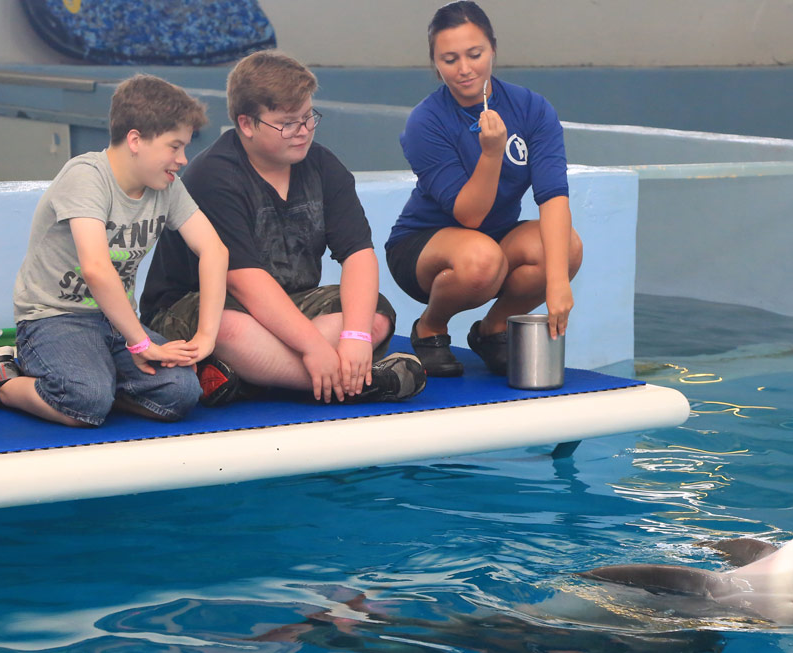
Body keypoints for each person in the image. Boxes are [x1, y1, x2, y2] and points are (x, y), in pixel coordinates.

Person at [140, 50, 425, 405]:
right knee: (228, 327)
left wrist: (354, 336)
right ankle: (354, 385)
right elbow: (243, 282)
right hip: (195, 307)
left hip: (287, 303)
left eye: (308, 118)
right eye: (288, 123)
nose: (303, 131)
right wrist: (312, 347)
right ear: (247, 124)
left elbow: (358, 254)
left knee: (375, 314)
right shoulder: (213, 176)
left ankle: (250, 377)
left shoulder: (323, 165)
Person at [0, 74, 229, 427]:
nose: (183, 159)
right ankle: (1, 380)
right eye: (174, 147)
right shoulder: (86, 176)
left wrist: (206, 336)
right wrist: (142, 345)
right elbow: (96, 268)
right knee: (86, 402)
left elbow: (215, 251)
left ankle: (100, 385)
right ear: (136, 140)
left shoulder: (167, 187)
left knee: (181, 394)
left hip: (116, 323)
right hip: (54, 318)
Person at [385, 1, 583, 377]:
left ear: (493, 48)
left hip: (495, 239)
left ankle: (493, 329)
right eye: (449, 59)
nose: (464, 69)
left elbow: (553, 195)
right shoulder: (425, 122)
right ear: (435, 62)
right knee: (481, 258)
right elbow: (469, 215)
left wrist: (557, 284)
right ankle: (430, 328)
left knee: (565, 248)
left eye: (474, 54)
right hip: (425, 246)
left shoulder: (532, 109)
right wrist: (491, 153)